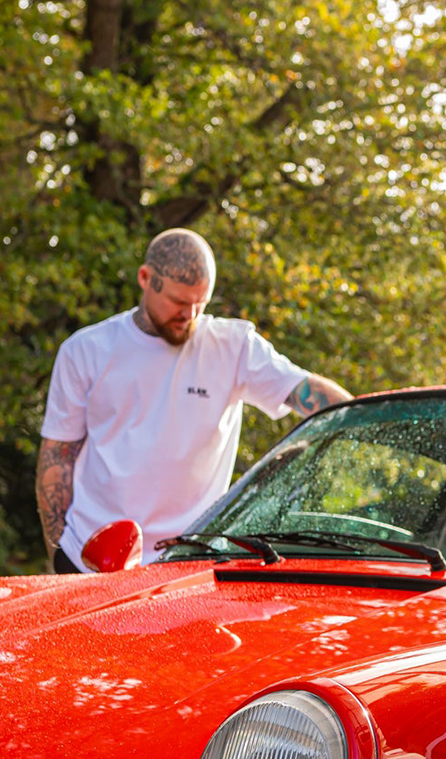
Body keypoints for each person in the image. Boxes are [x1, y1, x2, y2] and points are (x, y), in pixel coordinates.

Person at [36, 228, 352, 572]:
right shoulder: (85, 350)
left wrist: (366, 417)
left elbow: (304, 390)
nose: (190, 314)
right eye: (179, 302)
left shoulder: (234, 346)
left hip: (189, 564)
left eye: (200, 303)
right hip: (91, 559)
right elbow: (58, 457)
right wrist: (58, 556)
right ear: (145, 278)